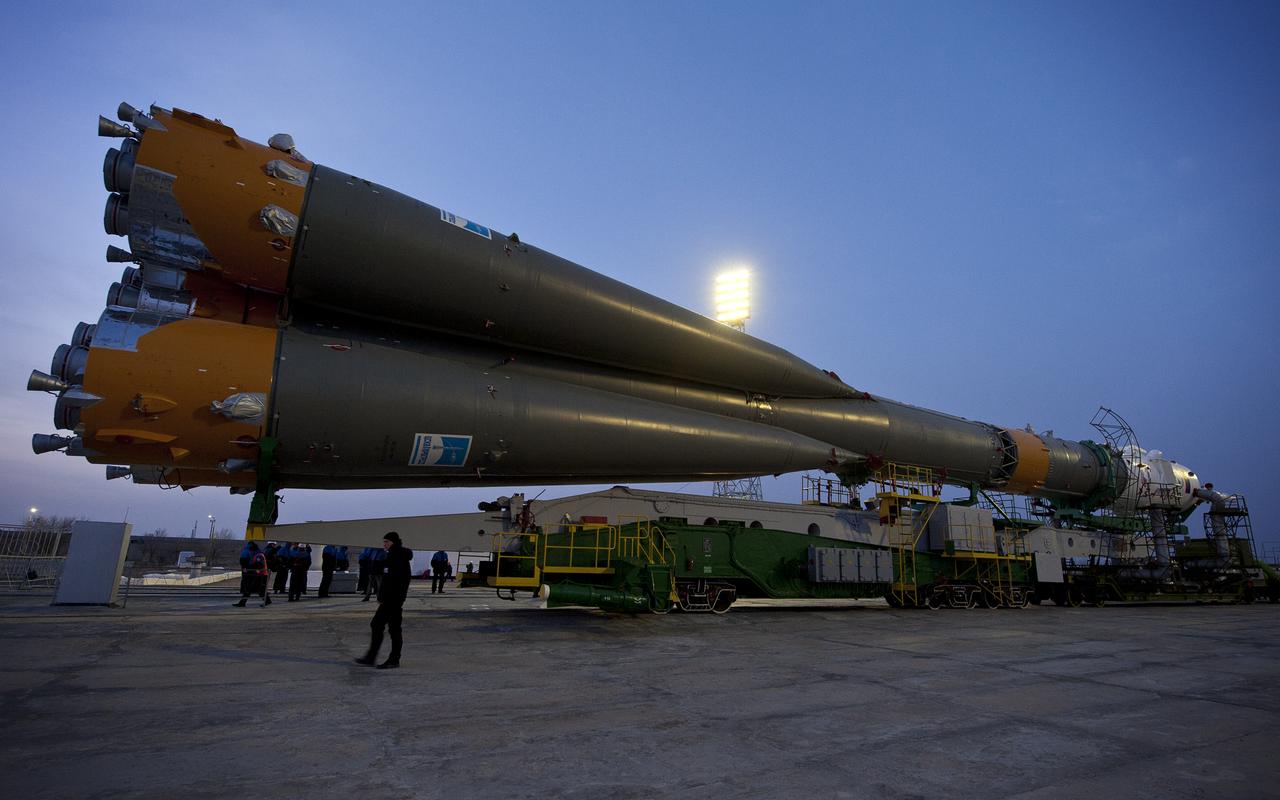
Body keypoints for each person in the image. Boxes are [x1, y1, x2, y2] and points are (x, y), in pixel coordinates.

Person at [355, 531, 413, 670]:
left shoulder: (398, 558)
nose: (384, 544)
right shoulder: (391, 556)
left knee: (388, 628)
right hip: (390, 599)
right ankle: (375, 657)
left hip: (393, 600)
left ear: (393, 542)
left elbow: (400, 581)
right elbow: (384, 575)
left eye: (386, 542)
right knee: (383, 626)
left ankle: (391, 659)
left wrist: (395, 598)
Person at [235, 541, 265, 607]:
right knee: (254, 587)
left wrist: (245, 568)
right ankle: (242, 602)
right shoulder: (258, 551)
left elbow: (243, 560)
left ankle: (242, 602)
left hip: (250, 571)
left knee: (250, 587)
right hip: (255, 571)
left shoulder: (247, 551)